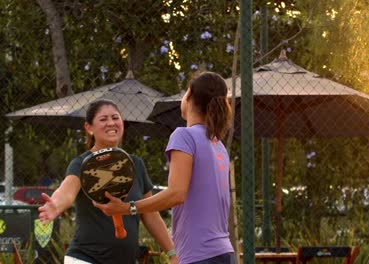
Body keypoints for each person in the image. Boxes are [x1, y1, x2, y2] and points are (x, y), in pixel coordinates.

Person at [95, 72, 236, 264]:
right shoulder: (217, 145)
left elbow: (176, 194)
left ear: (188, 96)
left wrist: (127, 208)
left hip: (199, 255)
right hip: (224, 253)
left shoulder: (184, 136)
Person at [38, 99, 178, 264]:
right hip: (85, 259)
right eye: (103, 119)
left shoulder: (136, 165)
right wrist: (56, 204)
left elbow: (150, 213)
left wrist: (173, 253)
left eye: (115, 118)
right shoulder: (81, 163)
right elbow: (66, 191)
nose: (111, 123)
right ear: (89, 128)